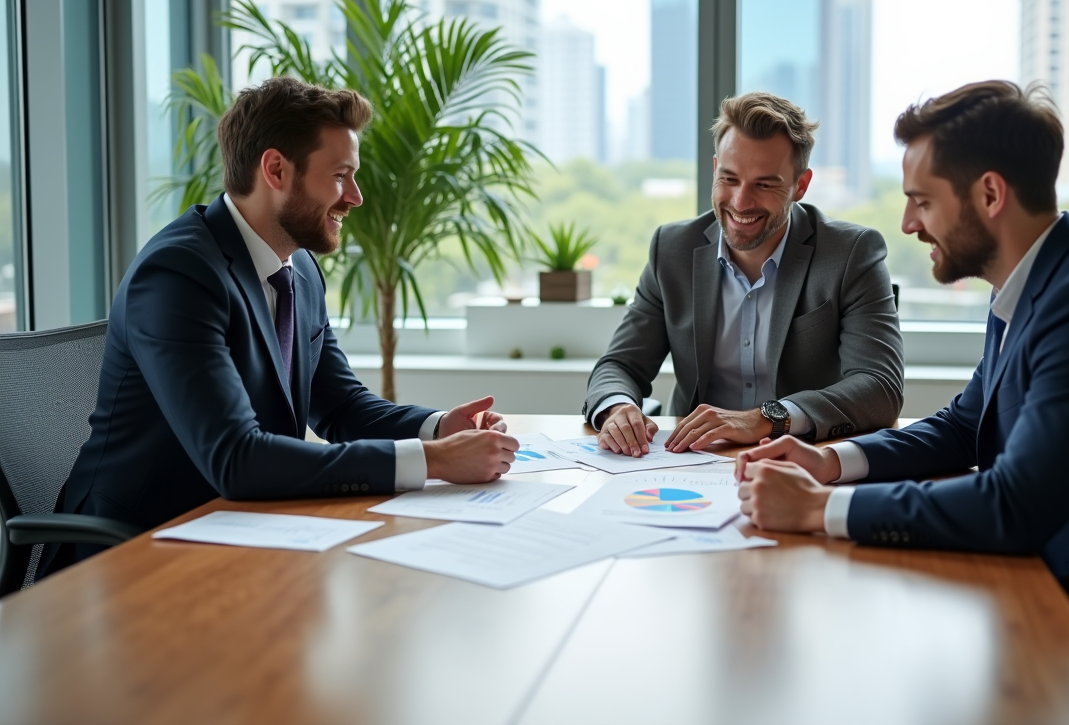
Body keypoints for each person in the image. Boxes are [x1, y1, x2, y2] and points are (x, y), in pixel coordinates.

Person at [735, 80, 1069, 718]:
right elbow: (963, 426)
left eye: (921, 201)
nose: (907, 224)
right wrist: (833, 461)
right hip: (1040, 591)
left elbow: (1015, 503)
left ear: (989, 194)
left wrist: (821, 510)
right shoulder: (1029, 285)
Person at [41, 77, 517, 576]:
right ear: (276, 169)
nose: (354, 196)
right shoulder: (179, 275)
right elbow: (236, 458)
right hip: (134, 554)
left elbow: (341, 405)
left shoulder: (300, 269)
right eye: (340, 175)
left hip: (240, 531)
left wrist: (439, 427)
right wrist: (434, 461)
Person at [583, 91, 903, 456]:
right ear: (715, 167)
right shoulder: (671, 249)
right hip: (688, 462)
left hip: (801, 463)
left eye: (764, 184)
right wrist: (617, 407)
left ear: (800, 184)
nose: (740, 202)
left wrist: (766, 418)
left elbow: (880, 387)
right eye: (729, 178)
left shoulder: (851, 254)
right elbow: (620, 364)